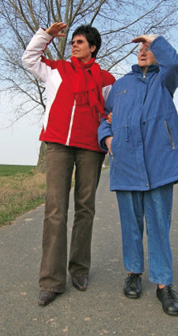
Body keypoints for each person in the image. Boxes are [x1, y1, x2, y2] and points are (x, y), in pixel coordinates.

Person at [98, 34, 178, 316]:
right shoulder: (120, 86)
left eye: (148, 49)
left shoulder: (165, 80)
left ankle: (164, 285)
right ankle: (133, 273)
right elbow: (103, 117)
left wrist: (155, 39)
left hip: (159, 164)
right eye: (140, 49)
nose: (143, 52)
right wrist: (108, 139)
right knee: (131, 223)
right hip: (126, 162)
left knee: (158, 225)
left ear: (157, 53)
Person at [22, 22, 115, 306]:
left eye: (80, 42)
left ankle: (79, 269)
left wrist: (112, 126)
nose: (74, 45)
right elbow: (29, 59)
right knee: (55, 209)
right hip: (58, 145)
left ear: (93, 47)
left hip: (90, 149)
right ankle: (51, 280)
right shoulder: (56, 70)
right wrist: (46, 36)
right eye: (73, 41)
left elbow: (112, 113)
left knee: (85, 208)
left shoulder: (107, 80)